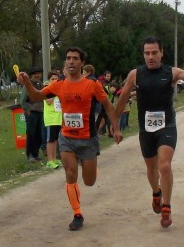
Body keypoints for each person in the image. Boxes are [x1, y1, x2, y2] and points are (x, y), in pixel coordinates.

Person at [18, 47, 121, 230]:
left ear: (82, 63)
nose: (71, 61)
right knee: (71, 173)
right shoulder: (60, 84)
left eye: (75, 58)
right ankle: (77, 213)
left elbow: (107, 105)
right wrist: (27, 82)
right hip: (66, 137)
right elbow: (37, 96)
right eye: (68, 58)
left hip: (88, 139)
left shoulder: (92, 84)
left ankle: (90, 168)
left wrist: (116, 128)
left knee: (89, 181)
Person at [114, 37, 184, 229]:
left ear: (162, 53)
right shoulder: (135, 74)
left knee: (164, 166)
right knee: (151, 169)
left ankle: (166, 207)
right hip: (146, 128)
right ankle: (156, 192)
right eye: (147, 53)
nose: (151, 56)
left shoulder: (172, 72)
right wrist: (115, 125)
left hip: (167, 126)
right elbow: (123, 98)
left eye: (154, 52)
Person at [19, 67, 45, 163]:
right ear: (31, 75)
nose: (37, 75)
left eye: (39, 73)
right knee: (31, 133)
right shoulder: (28, 85)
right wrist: (27, 110)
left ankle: (35, 154)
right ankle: (30, 155)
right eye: (35, 74)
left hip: (40, 111)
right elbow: (22, 100)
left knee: (39, 134)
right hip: (31, 112)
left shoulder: (41, 84)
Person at [42, 68, 63, 169]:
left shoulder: (58, 89)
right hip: (50, 119)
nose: (54, 81)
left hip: (58, 118)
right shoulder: (47, 89)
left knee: (55, 140)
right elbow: (48, 101)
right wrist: (55, 92)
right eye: (52, 79)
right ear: (49, 80)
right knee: (50, 140)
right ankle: (49, 161)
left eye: (56, 79)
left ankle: (54, 159)